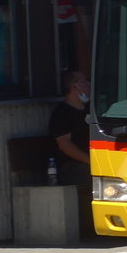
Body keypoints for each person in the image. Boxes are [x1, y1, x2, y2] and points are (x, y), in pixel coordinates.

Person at [48, 70, 93, 237]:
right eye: (85, 81)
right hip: (71, 167)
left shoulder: (91, 109)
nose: (89, 85)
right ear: (75, 86)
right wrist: (90, 161)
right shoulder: (62, 113)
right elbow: (65, 145)